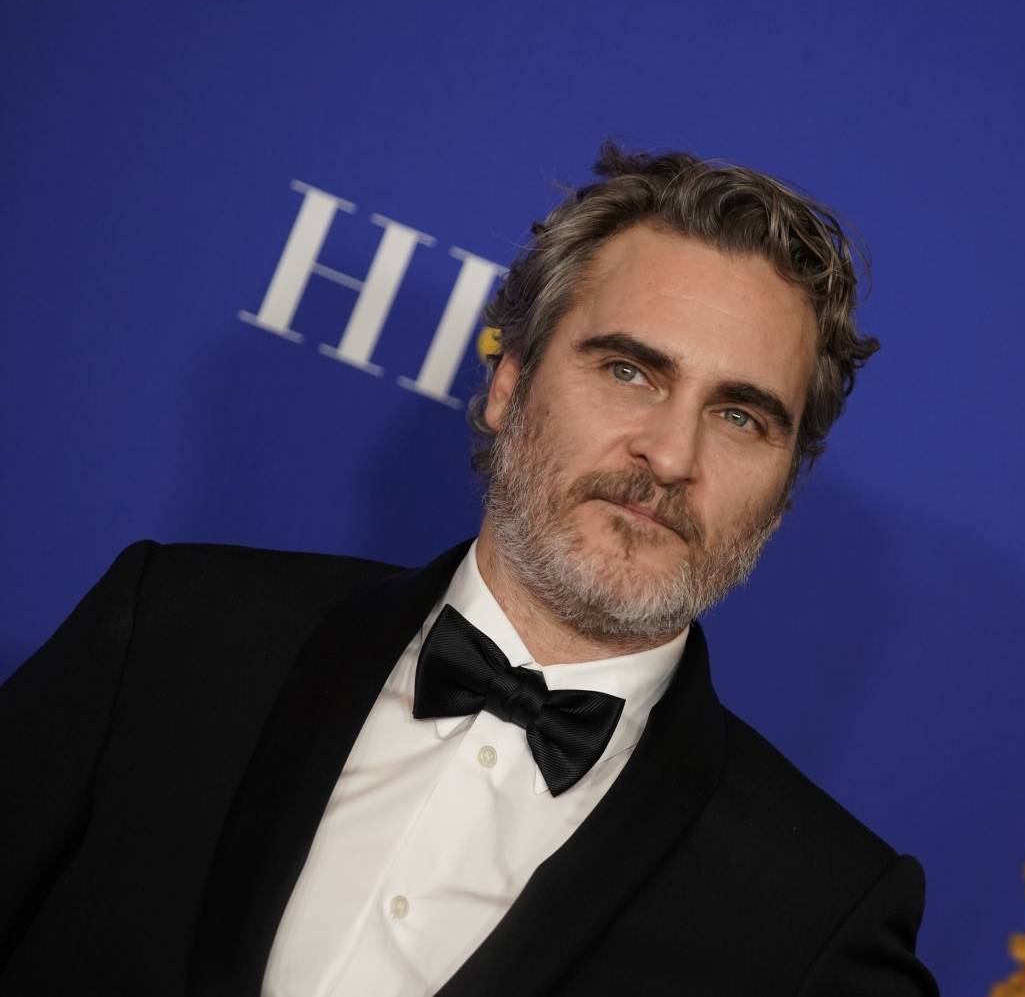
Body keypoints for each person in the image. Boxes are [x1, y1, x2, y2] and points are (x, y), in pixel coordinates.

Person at [0, 144, 938, 995]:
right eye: (628, 372)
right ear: (508, 382)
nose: (670, 453)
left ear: (783, 489)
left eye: (740, 416)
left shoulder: (818, 910)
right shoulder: (171, 629)